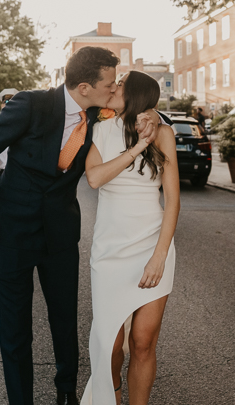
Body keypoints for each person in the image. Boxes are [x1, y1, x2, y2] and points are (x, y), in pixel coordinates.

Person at [0, 47, 162, 405]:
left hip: (60, 234)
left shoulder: (99, 114)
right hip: (10, 232)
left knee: (64, 317)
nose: (115, 87)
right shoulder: (30, 104)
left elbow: (137, 110)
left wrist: (153, 117)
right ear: (85, 86)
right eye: (110, 81)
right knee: (16, 326)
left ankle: (66, 389)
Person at [81, 71, 180, 405]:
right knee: (110, 344)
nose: (112, 87)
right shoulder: (98, 130)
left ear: (135, 95)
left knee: (142, 342)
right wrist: (138, 146)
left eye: (119, 84)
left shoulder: (164, 133)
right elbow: (94, 178)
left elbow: (173, 202)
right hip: (110, 251)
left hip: (152, 245)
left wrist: (159, 256)